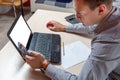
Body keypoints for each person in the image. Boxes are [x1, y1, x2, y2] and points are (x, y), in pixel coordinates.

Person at [23, 0, 120, 80]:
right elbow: (93, 26)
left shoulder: (107, 44)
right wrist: (64, 27)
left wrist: (44, 64)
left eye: (80, 13)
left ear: (101, 10)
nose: (76, 17)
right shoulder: (113, 7)